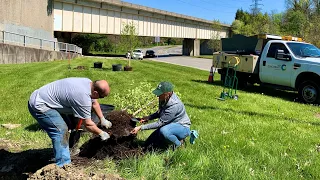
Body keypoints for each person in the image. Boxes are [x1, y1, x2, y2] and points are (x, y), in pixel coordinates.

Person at [28, 77, 112, 167]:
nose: (101, 98)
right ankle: (64, 166)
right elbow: (88, 124)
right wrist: (101, 133)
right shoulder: (82, 97)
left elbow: (94, 103)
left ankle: (67, 149)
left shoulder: (88, 83)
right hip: (40, 105)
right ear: (95, 92)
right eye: (102, 96)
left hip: (49, 99)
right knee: (60, 131)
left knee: (70, 124)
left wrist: (102, 119)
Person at [131, 81, 191, 150]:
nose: (157, 96)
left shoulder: (174, 105)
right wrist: (149, 117)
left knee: (164, 132)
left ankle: (179, 144)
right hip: (170, 124)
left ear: (167, 93)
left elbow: (160, 123)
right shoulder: (164, 98)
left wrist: (141, 127)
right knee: (148, 143)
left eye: (160, 94)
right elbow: (160, 112)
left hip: (182, 127)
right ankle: (169, 139)